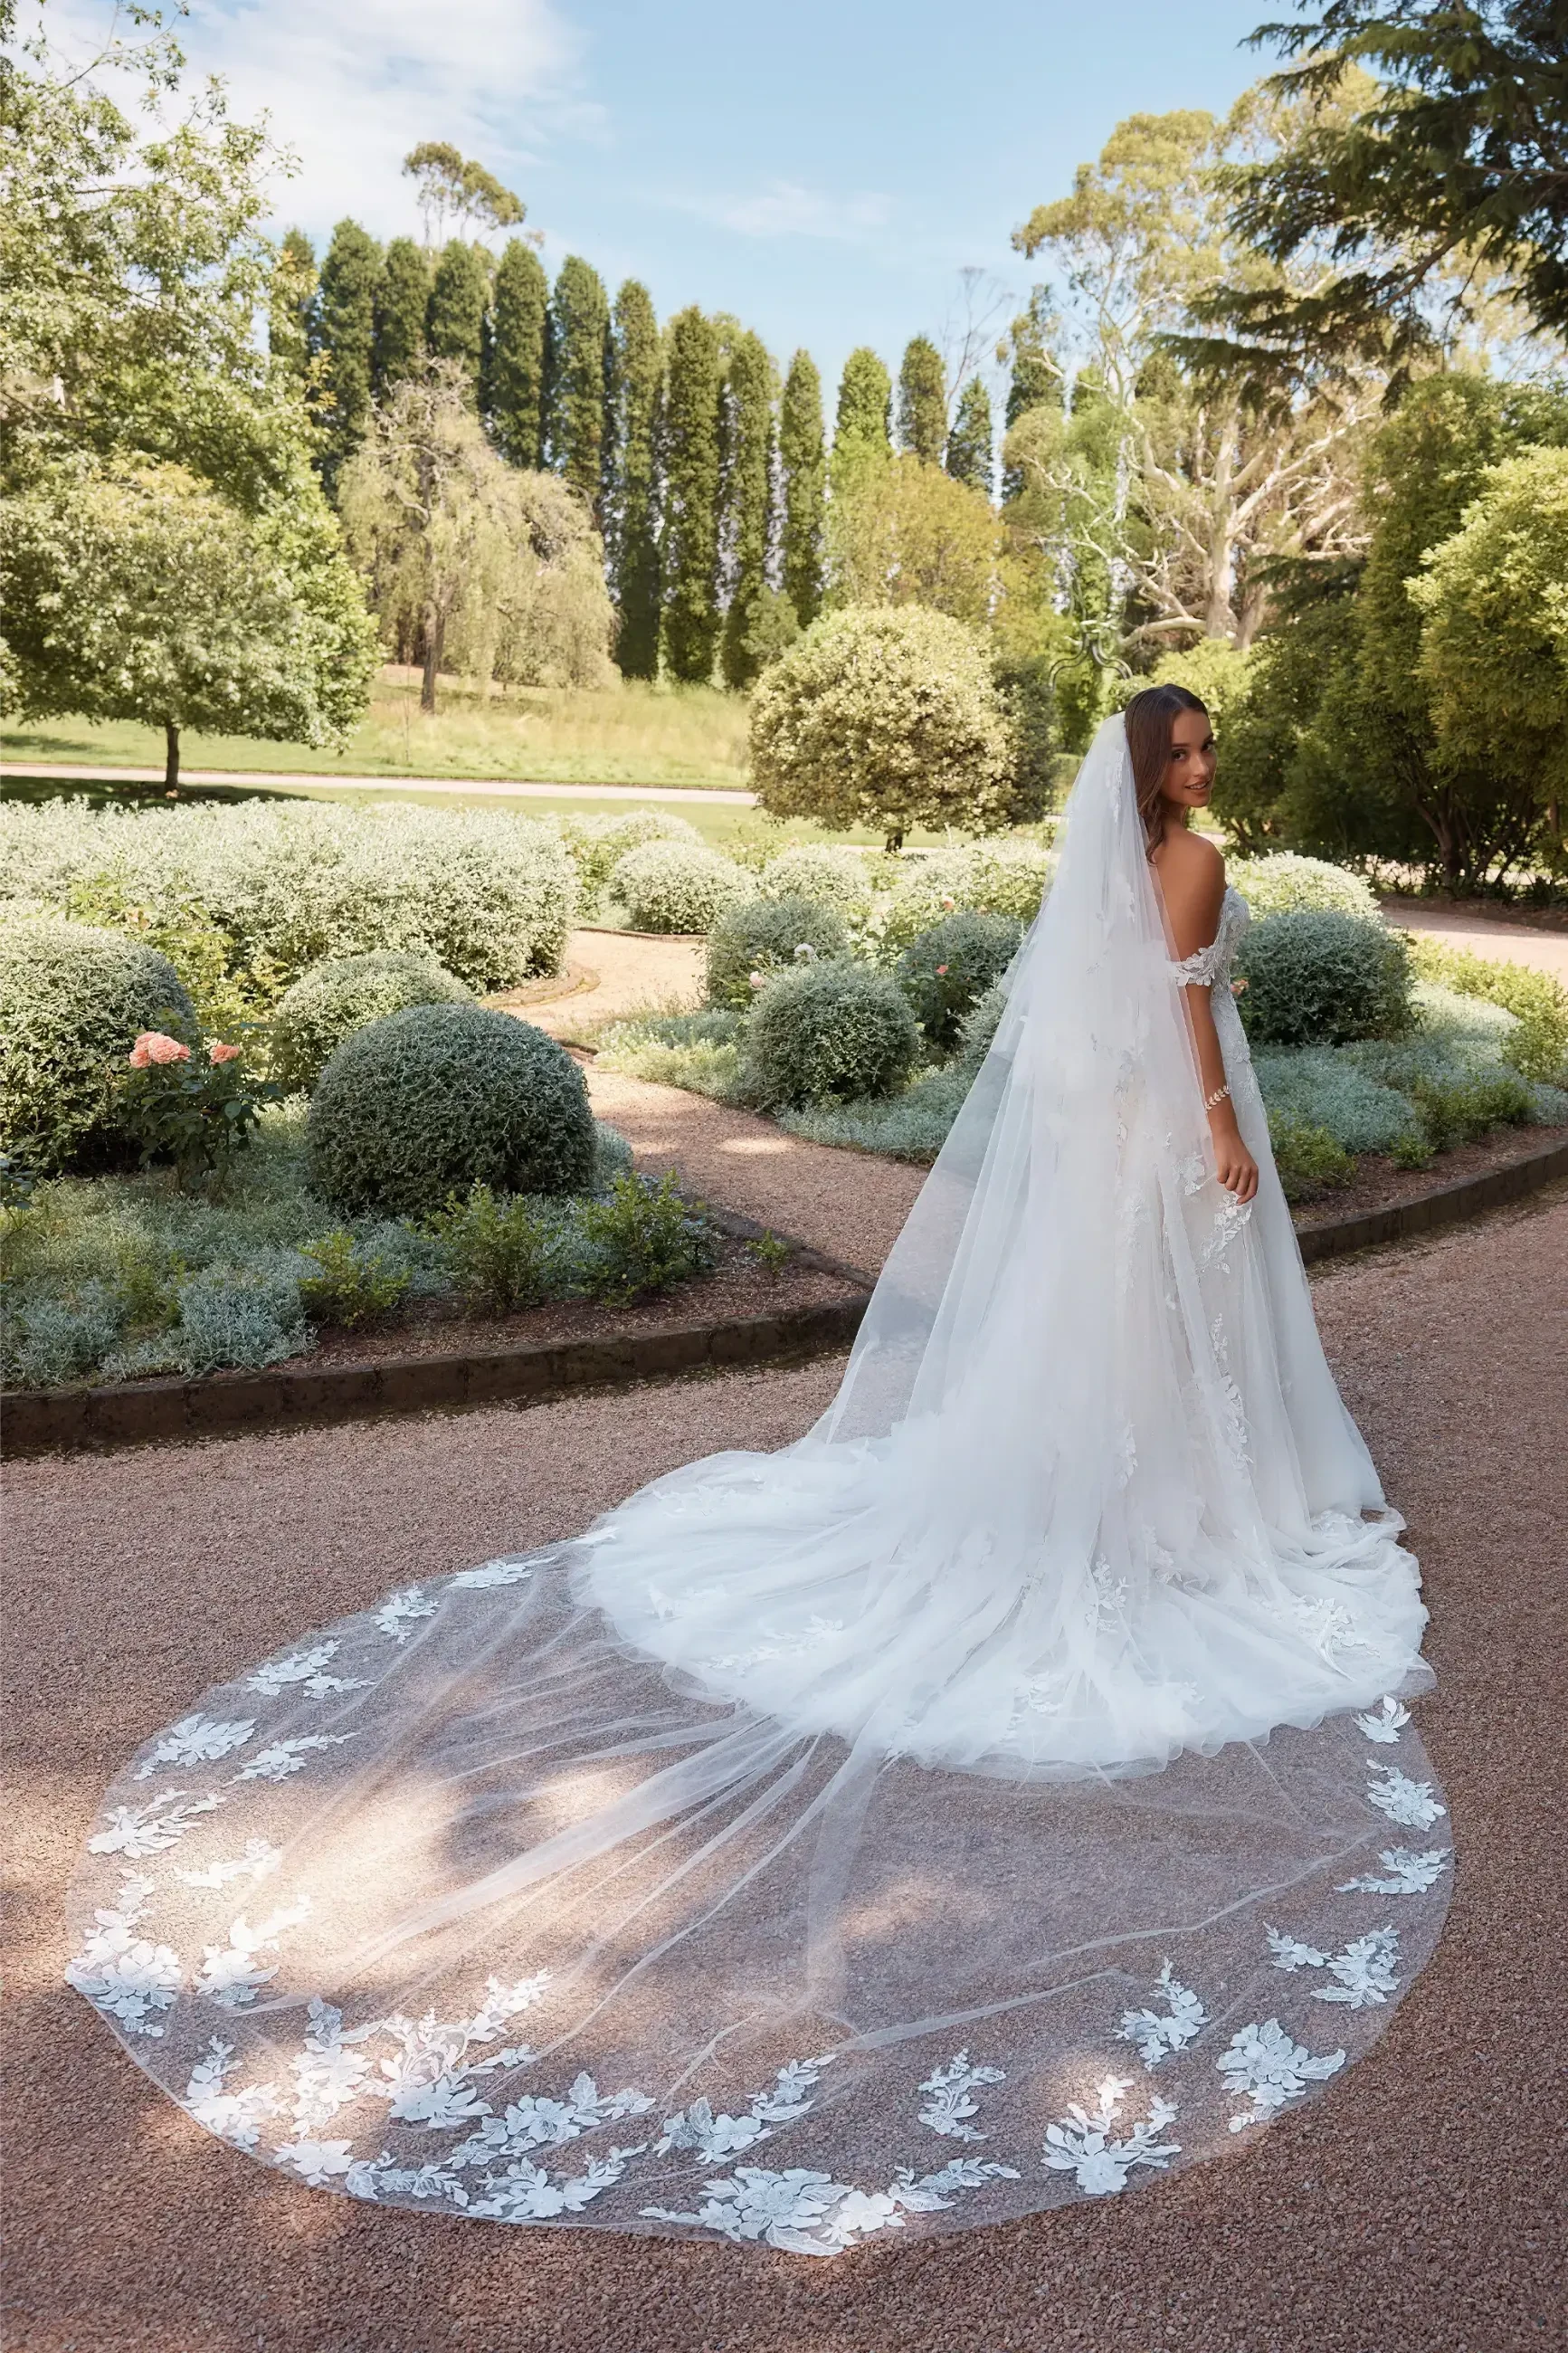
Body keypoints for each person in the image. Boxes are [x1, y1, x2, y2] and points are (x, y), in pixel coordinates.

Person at [67, 697, 1450, 2254]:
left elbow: (1093, 1027)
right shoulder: (1186, 863)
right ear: (1151, 776)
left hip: (1108, 1149)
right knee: (1168, 1334)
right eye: (1185, 751)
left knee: (1114, 1344)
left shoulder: (1118, 874)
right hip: (1178, 1129)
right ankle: (1178, 1506)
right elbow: (1193, 1019)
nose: (1206, 768)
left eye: (1207, 747)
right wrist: (1217, 1131)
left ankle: (1136, 1483)